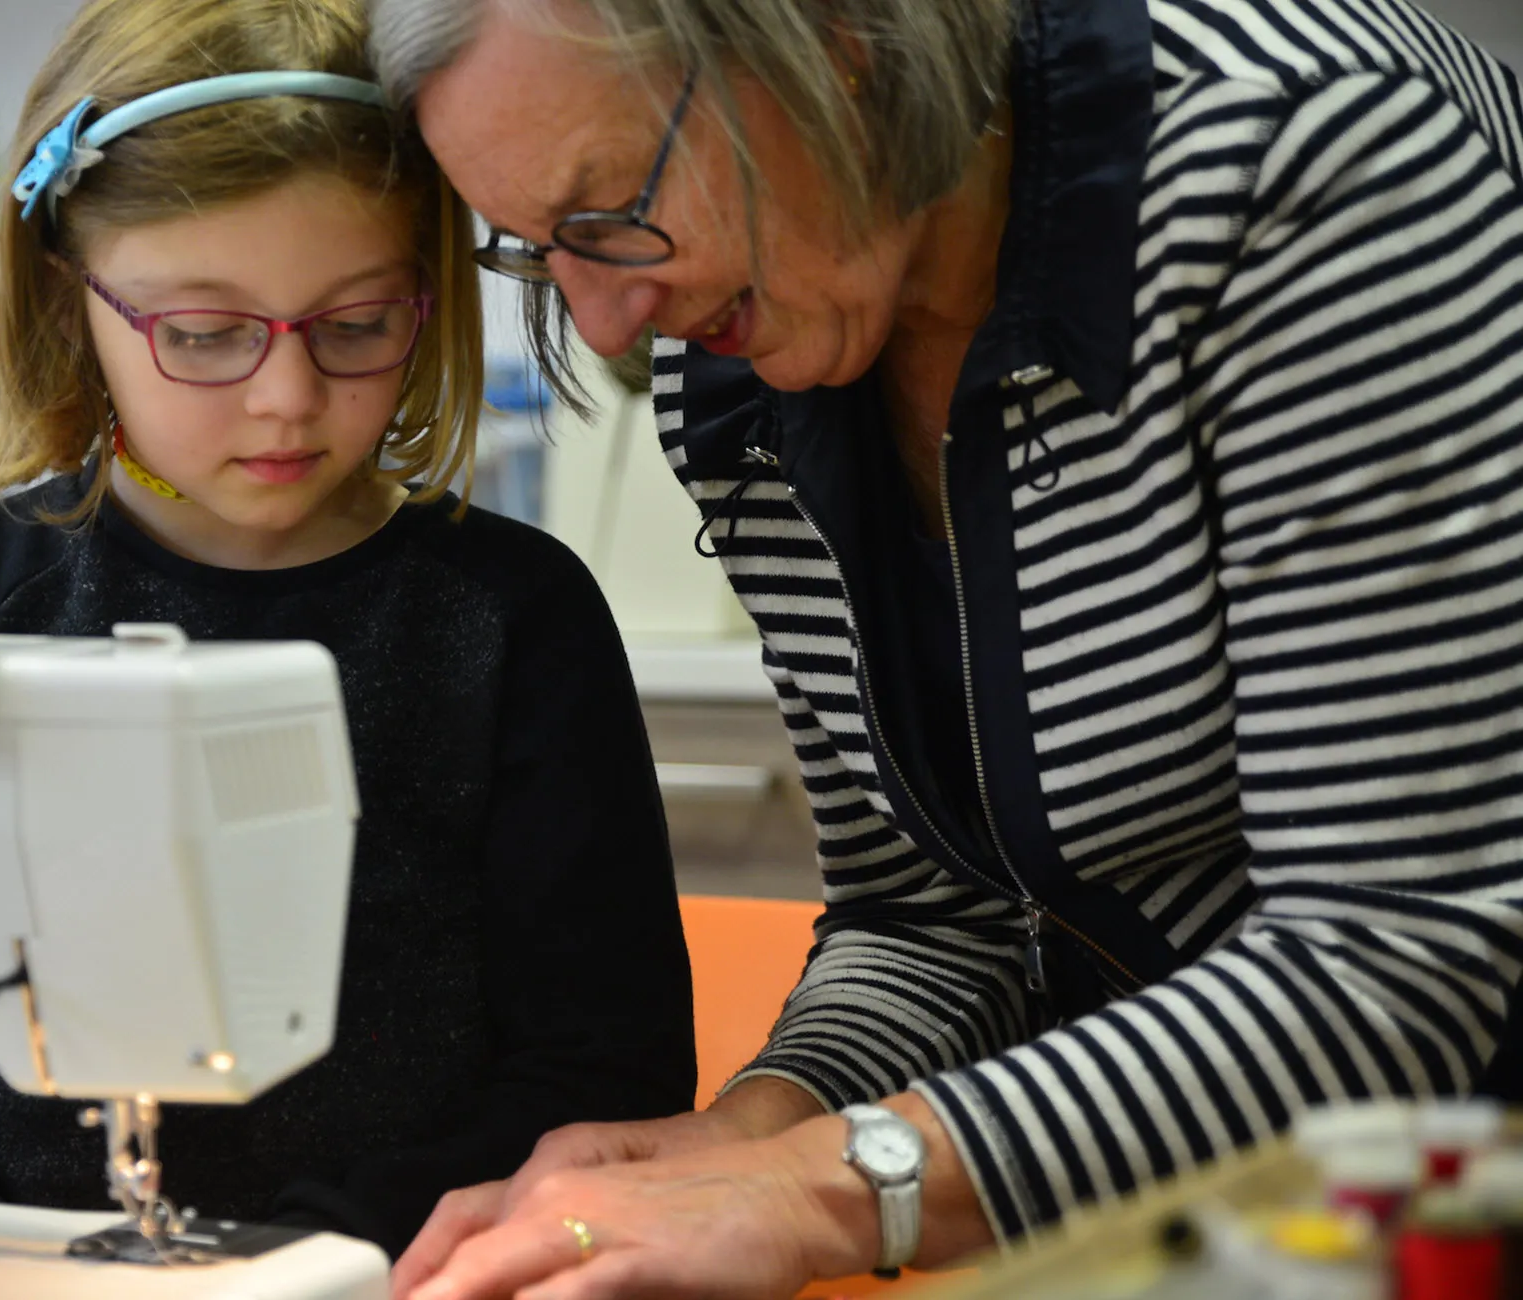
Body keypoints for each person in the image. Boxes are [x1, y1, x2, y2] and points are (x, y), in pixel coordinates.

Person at [367, 0, 1523, 1295]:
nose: (606, 325)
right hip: (1213, 1219)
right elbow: (934, 913)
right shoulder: (753, 356)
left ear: (833, 44)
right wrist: (749, 1134)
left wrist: (828, 1188)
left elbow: (1398, 949)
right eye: (538, 253)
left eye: (607, 211)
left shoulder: (1308, 157)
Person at [0, 0, 695, 1261]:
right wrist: (8, 1257)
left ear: (428, 292)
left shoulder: (513, 620)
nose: (285, 399)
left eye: (355, 324)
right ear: (70, 304)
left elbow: (604, 1070)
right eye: (204, 333)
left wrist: (310, 1262)